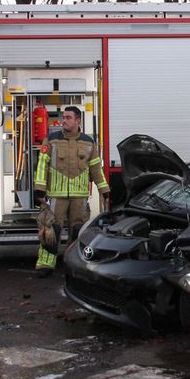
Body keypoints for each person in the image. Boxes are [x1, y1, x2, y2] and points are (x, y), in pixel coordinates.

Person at [33, 106, 110, 277]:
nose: (64, 120)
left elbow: (97, 169)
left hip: (79, 197)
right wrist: (39, 189)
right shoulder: (51, 140)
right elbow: (42, 165)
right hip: (56, 195)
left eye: (68, 117)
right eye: (63, 117)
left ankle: (75, 265)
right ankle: (45, 264)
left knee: (79, 231)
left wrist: (104, 190)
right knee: (50, 229)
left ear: (77, 121)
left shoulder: (89, 143)